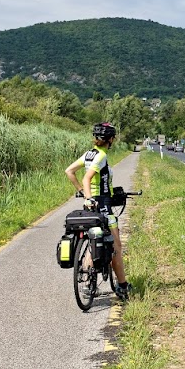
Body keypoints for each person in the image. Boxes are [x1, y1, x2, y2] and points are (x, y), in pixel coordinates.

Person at [65, 121, 129, 295]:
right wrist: (89, 196)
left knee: (94, 240)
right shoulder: (100, 156)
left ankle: (86, 283)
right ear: (111, 139)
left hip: (91, 205)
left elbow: (69, 171)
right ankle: (122, 286)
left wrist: (81, 192)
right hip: (101, 205)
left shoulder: (88, 154)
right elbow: (87, 178)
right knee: (116, 245)